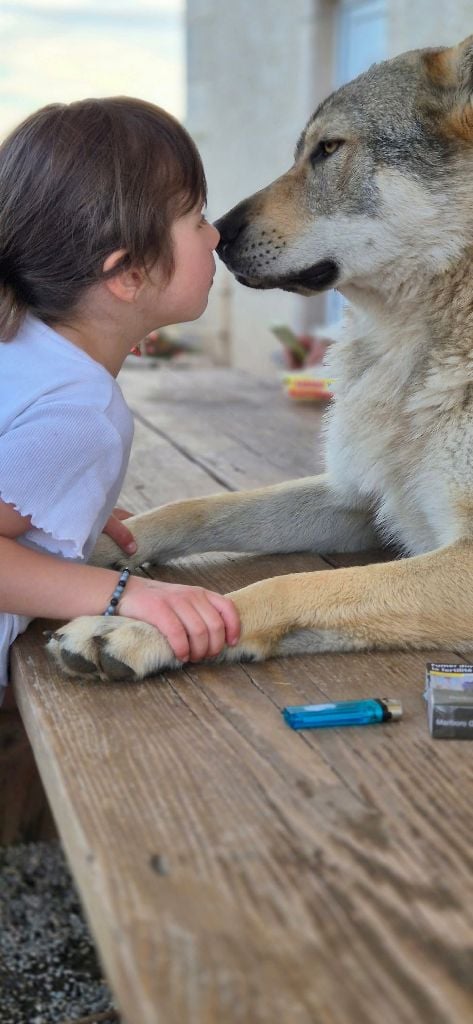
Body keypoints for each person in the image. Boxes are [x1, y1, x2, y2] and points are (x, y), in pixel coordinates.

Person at [0, 96, 241, 707]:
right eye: (197, 218)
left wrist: (50, 507)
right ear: (128, 274)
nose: (217, 236)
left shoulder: (21, 341)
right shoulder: (79, 416)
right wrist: (123, 595)